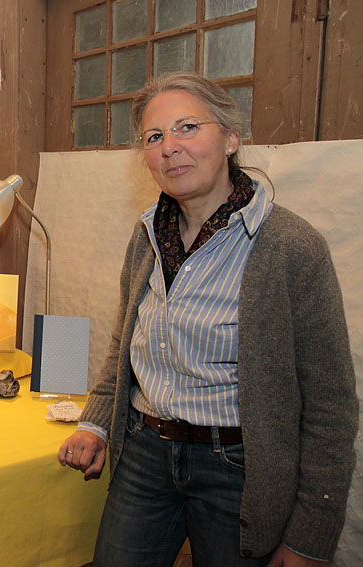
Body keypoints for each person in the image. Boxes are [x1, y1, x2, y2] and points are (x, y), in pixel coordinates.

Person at [58, 72, 357, 567]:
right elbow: (124, 346)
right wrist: (96, 424)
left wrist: (310, 536)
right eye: (154, 136)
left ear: (231, 139)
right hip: (145, 453)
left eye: (188, 128)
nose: (170, 147)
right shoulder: (147, 237)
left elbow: (331, 407)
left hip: (238, 469)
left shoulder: (291, 247)